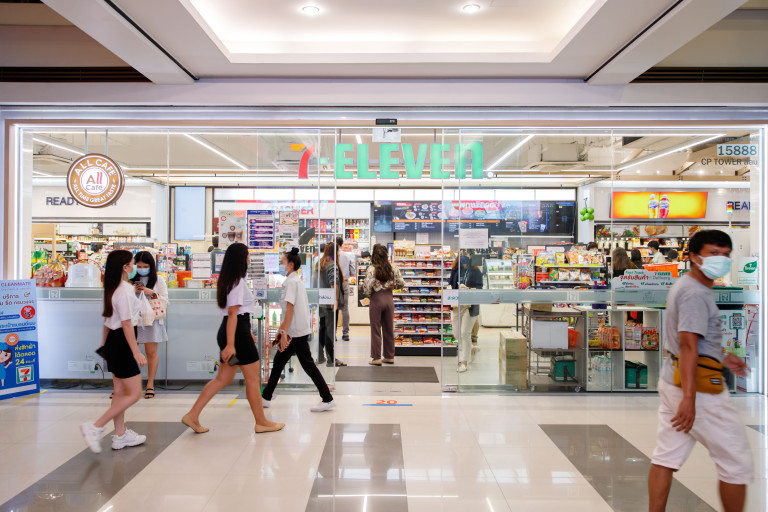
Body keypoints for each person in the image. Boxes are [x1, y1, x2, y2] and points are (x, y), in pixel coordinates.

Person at [648, 230, 752, 512]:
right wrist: (689, 398)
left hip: (673, 378)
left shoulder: (687, 285)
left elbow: (695, 342)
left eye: (726, 254)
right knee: (736, 462)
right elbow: (688, 345)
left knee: (666, 457)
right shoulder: (695, 293)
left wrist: (723, 357)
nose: (721, 259)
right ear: (694, 257)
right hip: (699, 388)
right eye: (713, 253)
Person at [182, 243, 284, 434]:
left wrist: (245, 334)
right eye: (247, 255)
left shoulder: (229, 280)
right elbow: (233, 313)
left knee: (223, 377)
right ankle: (261, 422)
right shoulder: (237, 282)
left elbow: (236, 314)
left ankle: (193, 415)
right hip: (237, 337)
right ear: (240, 259)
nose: (249, 259)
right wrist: (231, 345)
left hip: (234, 333)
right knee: (252, 378)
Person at [80, 250, 147, 454]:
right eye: (132, 263)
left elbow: (107, 321)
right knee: (134, 393)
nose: (134, 267)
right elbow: (126, 324)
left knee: (119, 392)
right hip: (122, 344)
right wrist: (135, 352)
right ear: (125, 267)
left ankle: (120, 435)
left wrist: (104, 346)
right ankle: (96, 427)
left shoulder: (111, 288)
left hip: (113, 343)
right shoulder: (124, 290)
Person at [263, 247, 336, 412]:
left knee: (307, 365)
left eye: (282, 262)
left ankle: (327, 398)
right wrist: (281, 330)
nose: (280, 265)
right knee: (279, 362)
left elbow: (289, 309)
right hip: (294, 331)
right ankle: (266, 396)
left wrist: (283, 333)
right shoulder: (293, 281)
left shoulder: (292, 283)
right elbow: (289, 311)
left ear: (290, 265)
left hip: (295, 333)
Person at [131, 251, 168, 399]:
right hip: (133, 319)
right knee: (130, 352)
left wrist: (151, 293)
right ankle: (130, 384)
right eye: (139, 266)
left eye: (145, 266)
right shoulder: (129, 279)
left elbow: (165, 300)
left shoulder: (158, 279)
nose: (142, 269)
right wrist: (132, 291)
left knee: (151, 352)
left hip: (152, 319)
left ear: (151, 266)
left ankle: (150, 384)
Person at [364, 243, 404, 366]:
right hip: (389, 299)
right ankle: (389, 356)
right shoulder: (393, 268)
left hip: (376, 300)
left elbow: (366, 287)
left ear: (374, 255)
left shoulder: (371, 269)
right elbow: (401, 283)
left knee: (376, 329)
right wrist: (392, 286)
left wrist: (370, 292)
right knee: (389, 329)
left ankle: (376, 358)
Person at [316, 242, 347, 367]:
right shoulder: (333, 265)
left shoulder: (319, 263)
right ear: (335, 252)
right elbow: (334, 283)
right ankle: (331, 359)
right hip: (330, 303)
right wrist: (335, 300)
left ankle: (320, 356)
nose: (339, 254)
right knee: (330, 331)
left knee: (322, 329)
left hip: (321, 301)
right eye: (338, 251)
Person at [335, 236, 354, 342]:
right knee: (345, 308)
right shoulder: (347, 256)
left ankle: (333, 333)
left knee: (334, 308)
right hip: (344, 283)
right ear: (342, 245)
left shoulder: (331, 255)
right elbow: (353, 271)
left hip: (333, 284)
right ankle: (345, 334)